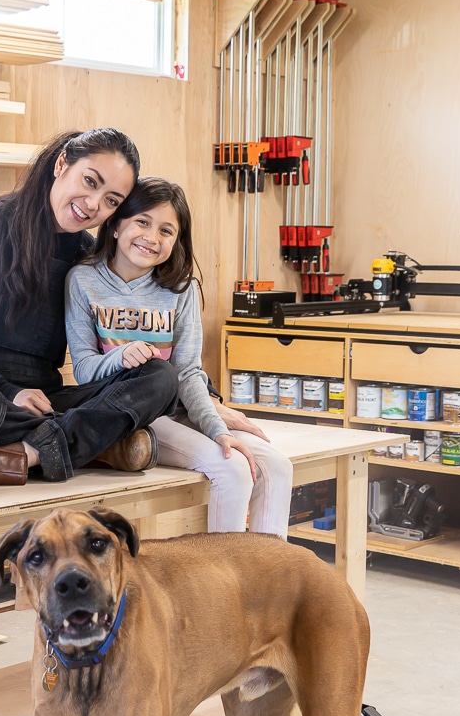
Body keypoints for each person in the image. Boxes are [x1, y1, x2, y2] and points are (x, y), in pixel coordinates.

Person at [0, 129, 180, 493]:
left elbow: (113, 358)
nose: (93, 203)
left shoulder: (86, 257)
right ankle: (87, 447)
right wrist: (10, 392)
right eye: (89, 181)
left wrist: (202, 398)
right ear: (61, 163)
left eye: (111, 200)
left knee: (159, 375)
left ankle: (9, 459)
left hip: (46, 403)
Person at [65, 176, 293, 536]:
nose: (152, 238)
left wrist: (217, 429)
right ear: (115, 225)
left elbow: (187, 371)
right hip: (130, 414)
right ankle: (223, 587)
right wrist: (121, 357)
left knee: (277, 465)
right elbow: (84, 371)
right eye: (142, 221)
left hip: (180, 408)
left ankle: (267, 582)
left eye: (166, 230)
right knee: (231, 469)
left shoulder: (181, 288)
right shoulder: (83, 280)